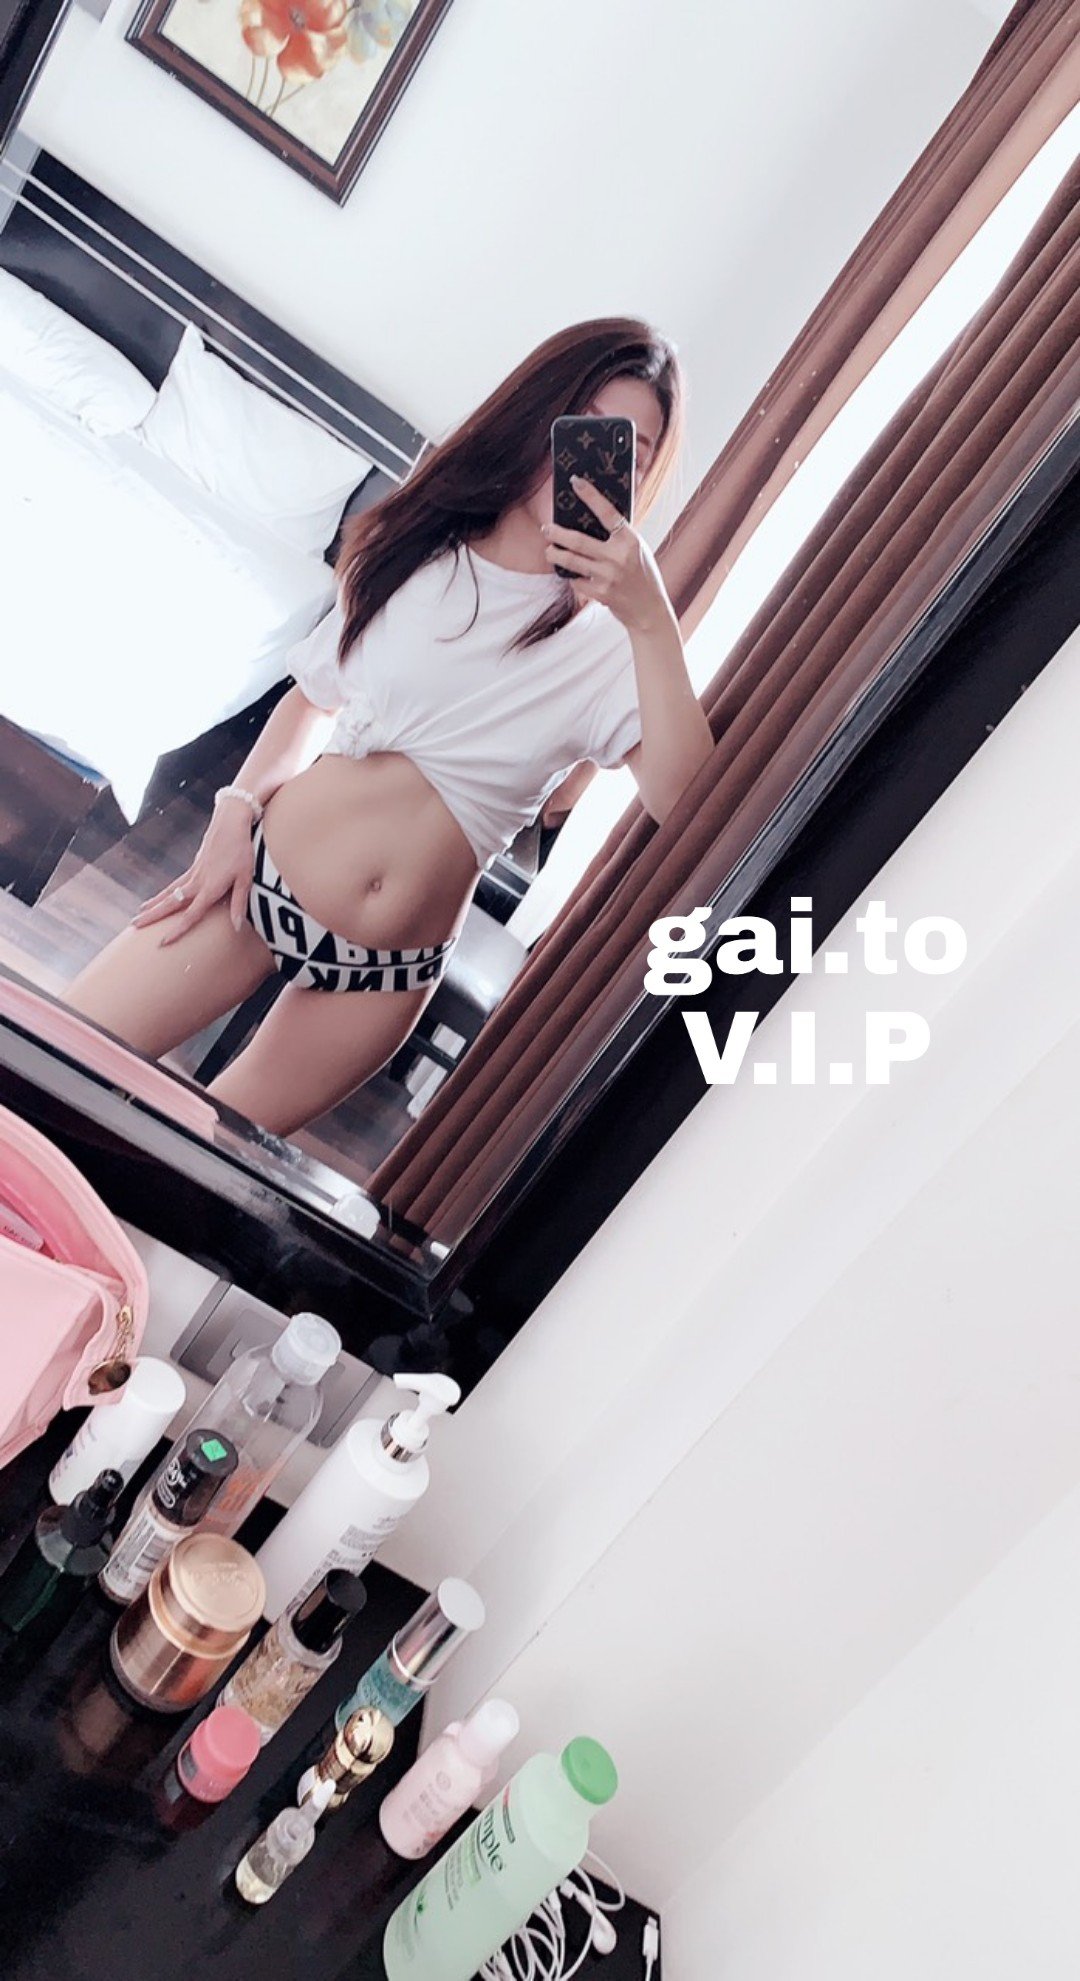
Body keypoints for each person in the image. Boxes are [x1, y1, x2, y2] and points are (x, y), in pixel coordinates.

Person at [65, 317, 712, 1136]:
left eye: (628, 451)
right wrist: (233, 810)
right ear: (538, 412)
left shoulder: (615, 641)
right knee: (53, 1065)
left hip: (386, 977)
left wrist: (653, 619)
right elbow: (312, 699)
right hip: (260, 882)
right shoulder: (422, 544)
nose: (587, 459)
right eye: (580, 423)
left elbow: (688, 807)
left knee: (181, 1168)